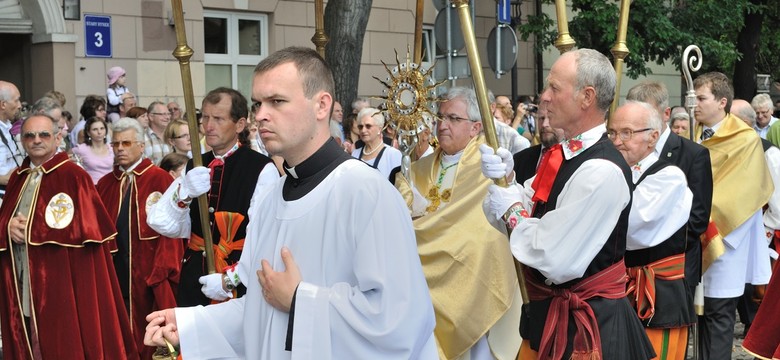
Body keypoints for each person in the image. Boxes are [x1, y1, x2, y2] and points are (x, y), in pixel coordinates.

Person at [144, 46, 436, 359]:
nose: (260, 115)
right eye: (258, 103)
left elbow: (400, 320)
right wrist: (189, 325)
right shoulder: (271, 197)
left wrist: (300, 300)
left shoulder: (365, 192)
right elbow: (260, 312)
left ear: (322, 105)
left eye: (277, 101)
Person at [481, 48, 654, 359]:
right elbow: (533, 212)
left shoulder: (601, 170)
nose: (544, 97)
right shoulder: (563, 155)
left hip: (591, 331)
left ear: (586, 97)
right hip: (556, 319)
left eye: (554, 88)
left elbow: (554, 256)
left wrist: (510, 207)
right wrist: (506, 182)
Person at [394, 86, 521, 359]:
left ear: (475, 128)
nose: (442, 125)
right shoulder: (416, 170)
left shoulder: (490, 166)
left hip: (474, 279)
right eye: (440, 117)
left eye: (453, 118)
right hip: (425, 283)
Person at [0, 113, 138, 358]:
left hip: (62, 282)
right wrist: (7, 227)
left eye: (44, 134)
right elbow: (5, 220)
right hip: (21, 278)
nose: (36, 140)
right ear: (22, 140)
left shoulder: (75, 177)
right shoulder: (17, 179)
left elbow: (90, 241)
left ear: (57, 138)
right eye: (29, 135)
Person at [147, 87, 277, 307]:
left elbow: (267, 237)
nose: (208, 126)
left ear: (240, 124)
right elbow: (161, 222)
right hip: (195, 276)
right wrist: (184, 193)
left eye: (218, 118)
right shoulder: (195, 164)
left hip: (237, 280)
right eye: (205, 117)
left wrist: (231, 279)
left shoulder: (261, 169)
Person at [693, 72, 772, 360]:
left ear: (722, 102)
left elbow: (746, 191)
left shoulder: (745, 139)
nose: (695, 104)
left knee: (718, 312)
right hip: (691, 236)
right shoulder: (691, 132)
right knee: (697, 315)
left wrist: (703, 219)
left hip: (725, 237)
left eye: (701, 98)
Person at [610, 101, 694, 359]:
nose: (617, 141)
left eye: (627, 133)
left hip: (658, 295)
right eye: (612, 133)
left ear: (653, 137)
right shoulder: (615, 172)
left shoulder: (668, 177)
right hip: (619, 292)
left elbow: (633, 230)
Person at [625, 81, 713, 326]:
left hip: (672, 267)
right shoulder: (625, 150)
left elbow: (697, 219)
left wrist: (649, 241)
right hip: (629, 269)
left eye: (645, 115)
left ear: (665, 114)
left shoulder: (692, 154)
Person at [96, 117, 183, 359]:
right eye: (115, 144)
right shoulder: (104, 184)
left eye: (126, 143)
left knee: (150, 336)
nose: (120, 149)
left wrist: (164, 271)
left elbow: (173, 231)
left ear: (141, 146)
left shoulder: (159, 179)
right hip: (115, 274)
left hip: (149, 273)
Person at [730, 98, 779, 336]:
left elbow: (778, 202)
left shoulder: (769, 153)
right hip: (736, 227)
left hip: (762, 228)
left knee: (759, 287)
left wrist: (765, 231)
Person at [512, 103, 563, 184]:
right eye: (541, 118)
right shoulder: (520, 159)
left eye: (551, 118)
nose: (544, 124)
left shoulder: (575, 161)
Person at [351, 107, 402, 179]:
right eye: (360, 127)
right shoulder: (355, 153)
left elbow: (399, 185)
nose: (363, 130)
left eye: (368, 126)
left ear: (380, 128)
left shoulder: (392, 154)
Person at [71, 116, 114, 184]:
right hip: (92, 188)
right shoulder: (81, 149)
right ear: (88, 133)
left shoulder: (112, 148)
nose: (99, 132)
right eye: (95, 129)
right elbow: (65, 158)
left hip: (110, 187)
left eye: (102, 128)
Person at [0, 81, 23, 197]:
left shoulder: (8, 126)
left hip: (11, 193)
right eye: (16, 100)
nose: (20, 105)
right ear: (3, 105)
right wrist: (2, 179)